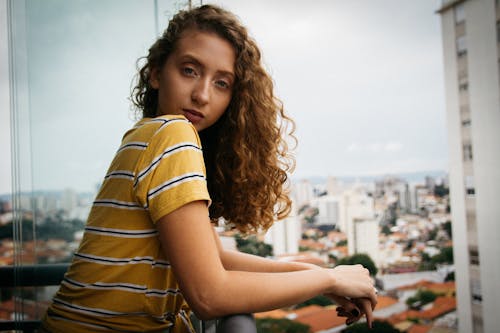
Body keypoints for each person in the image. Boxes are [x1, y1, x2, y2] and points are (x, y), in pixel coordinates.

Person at [41, 4, 377, 333]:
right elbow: (209, 295)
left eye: (222, 83)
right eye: (189, 70)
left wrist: (313, 276)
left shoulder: (147, 135)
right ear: (157, 73)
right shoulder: (172, 135)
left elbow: (218, 259)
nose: (202, 95)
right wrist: (330, 277)